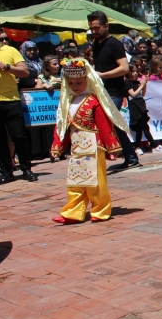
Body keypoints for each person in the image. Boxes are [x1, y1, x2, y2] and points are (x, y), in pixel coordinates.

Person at [51, 58, 129, 223]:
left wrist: (112, 147)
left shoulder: (94, 100)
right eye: (71, 83)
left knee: (96, 181)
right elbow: (62, 125)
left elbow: (104, 126)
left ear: (88, 79)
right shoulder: (67, 102)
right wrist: (58, 145)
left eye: (79, 82)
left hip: (95, 146)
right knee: (75, 181)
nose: (75, 86)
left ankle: (100, 210)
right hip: (76, 147)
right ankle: (73, 212)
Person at [88, 10, 138, 169]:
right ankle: (130, 157)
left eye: (97, 28)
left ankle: (123, 155)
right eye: (92, 28)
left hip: (114, 92)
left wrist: (102, 75)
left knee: (109, 122)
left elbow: (124, 68)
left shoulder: (114, 44)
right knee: (114, 124)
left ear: (106, 25)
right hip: (100, 91)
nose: (95, 31)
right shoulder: (95, 45)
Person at [0, 28, 37, 182]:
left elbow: (25, 72)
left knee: (18, 136)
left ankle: (26, 168)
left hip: (11, 100)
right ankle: (6, 171)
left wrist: (7, 67)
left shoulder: (10, 50)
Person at [125, 65, 157, 155]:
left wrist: (144, 84)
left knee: (140, 127)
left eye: (136, 71)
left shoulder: (137, 82)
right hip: (134, 106)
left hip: (141, 105)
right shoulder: (127, 83)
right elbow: (133, 94)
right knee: (144, 126)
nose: (135, 73)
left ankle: (136, 146)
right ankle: (154, 145)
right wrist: (142, 85)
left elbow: (142, 94)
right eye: (133, 71)